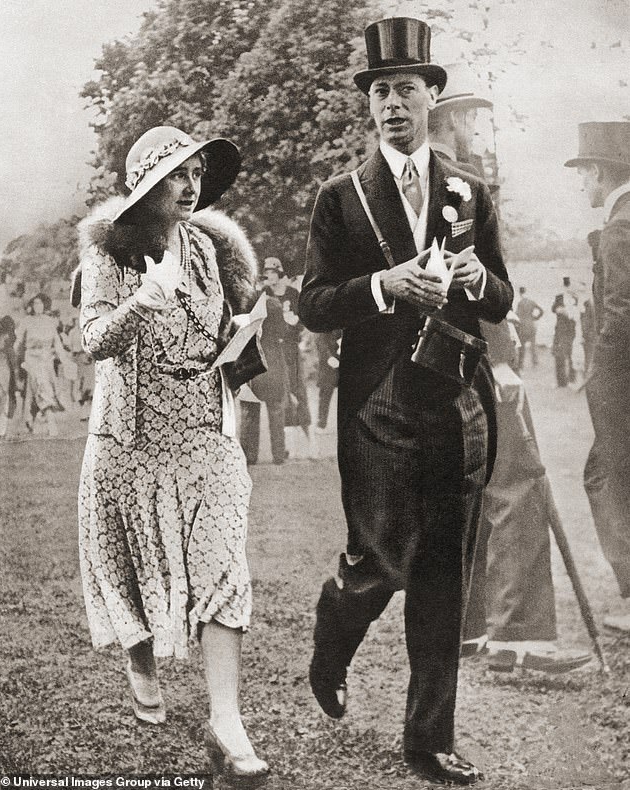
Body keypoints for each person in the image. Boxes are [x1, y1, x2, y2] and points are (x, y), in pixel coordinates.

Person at [299, 17, 513, 786]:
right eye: (380, 91)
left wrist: (473, 280)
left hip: (456, 400)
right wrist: (385, 287)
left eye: (406, 89)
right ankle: (336, 628)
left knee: (443, 574)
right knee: (383, 561)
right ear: (370, 106)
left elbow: (501, 297)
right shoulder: (341, 197)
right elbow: (314, 303)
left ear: (431, 97)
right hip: (377, 404)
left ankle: (429, 740)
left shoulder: (470, 190)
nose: (393, 103)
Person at [75, 126, 269, 780]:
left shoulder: (207, 249)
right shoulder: (113, 255)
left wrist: (241, 334)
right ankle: (139, 659)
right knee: (129, 565)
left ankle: (226, 721)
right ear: (150, 184)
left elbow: (212, 333)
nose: (192, 187)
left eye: (198, 174)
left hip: (201, 433)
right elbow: (94, 339)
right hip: (130, 441)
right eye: (179, 175)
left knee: (223, 564)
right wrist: (142, 301)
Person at [429, 69, 591, 674]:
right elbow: (468, 276)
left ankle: (466, 631)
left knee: (463, 491)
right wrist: (499, 356)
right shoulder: (458, 184)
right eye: (469, 117)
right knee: (518, 483)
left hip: (429, 367)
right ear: (446, 120)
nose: (476, 129)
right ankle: (518, 638)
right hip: (472, 359)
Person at [565, 121, 630, 632]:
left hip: (621, 380)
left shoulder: (620, 226)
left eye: (583, 172)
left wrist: (598, 377)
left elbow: (620, 311)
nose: (581, 184)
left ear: (600, 173)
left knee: (610, 479)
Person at [262, 257, 312, 438]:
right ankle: (287, 437)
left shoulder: (291, 293)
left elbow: (303, 318)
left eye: (273, 273)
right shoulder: (264, 293)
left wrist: (295, 324)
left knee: (299, 389)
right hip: (274, 349)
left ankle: (308, 432)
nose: (270, 277)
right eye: (267, 273)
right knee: (280, 392)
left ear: (280, 273)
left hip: (291, 346)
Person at [238, 293, 290, 465]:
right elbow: (284, 331)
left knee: (251, 412)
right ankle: (279, 454)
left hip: (253, 363)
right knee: (276, 412)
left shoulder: (247, 307)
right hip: (274, 363)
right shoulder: (274, 306)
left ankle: (249, 455)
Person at [17, 293, 64, 436]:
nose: (38, 306)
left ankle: (29, 419)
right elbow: (18, 342)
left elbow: (57, 342)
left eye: (41, 303)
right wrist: (19, 361)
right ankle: (51, 423)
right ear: (31, 306)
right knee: (41, 387)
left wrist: (65, 359)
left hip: (46, 359)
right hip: (31, 359)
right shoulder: (26, 321)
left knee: (35, 390)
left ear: (45, 305)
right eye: (35, 303)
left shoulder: (49, 321)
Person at [551, 276, 578, 387]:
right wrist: (559, 310)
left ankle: (572, 379)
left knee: (571, 354)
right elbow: (553, 309)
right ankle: (562, 382)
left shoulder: (574, 296)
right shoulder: (559, 297)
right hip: (561, 329)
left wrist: (569, 313)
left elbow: (577, 313)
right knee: (559, 355)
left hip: (571, 328)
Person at [314, 329, 341, 432]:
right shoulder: (327, 319)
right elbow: (320, 341)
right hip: (329, 363)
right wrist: (329, 357)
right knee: (325, 393)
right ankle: (321, 423)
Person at [0, 306, 17, 438]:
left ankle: (1, 427)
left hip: (1, 362)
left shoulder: (4, 325)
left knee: (2, 393)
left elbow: (9, 344)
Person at [514, 286, 543, 369]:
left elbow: (517, 315)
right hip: (531, 325)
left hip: (523, 327)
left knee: (522, 347)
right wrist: (535, 318)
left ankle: (521, 365)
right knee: (533, 346)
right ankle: (535, 363)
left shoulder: (520, 303)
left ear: (520, 293)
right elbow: (541, 311)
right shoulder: (531, 302)